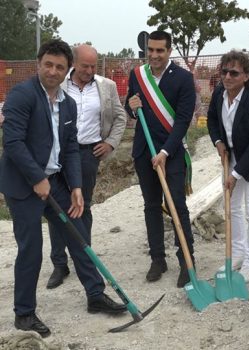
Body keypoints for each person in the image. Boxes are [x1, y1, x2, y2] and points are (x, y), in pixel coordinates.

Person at [0, 39, 126, 338]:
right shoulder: (23, 95)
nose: (53, 72)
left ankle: (95, 295)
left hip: (56, 181)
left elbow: (70, 148)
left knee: (78, 234)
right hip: (23, 185)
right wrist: (36, 178)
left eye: (59, 67)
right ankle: (25, 314)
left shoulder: (67, 103)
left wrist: (77, 187)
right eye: (49, 65)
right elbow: (13, 142)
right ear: (39, 64)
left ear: (67, 69)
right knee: (31, 249)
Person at [46, 44, 127, 289]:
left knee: (84, 206)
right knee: (57, 208)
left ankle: (84, 257)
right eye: (85, 66)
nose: (89, 71)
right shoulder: (58, 84)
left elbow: (120, 117)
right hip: (58, 155)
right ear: (73, 63)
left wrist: (111, 143)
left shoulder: (106, 87)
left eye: (93, 66)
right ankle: (59, 264)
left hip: (87, 154)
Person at [125, 30, 196, 288]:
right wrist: (130, 107)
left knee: (177, 205)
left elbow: (183, 120)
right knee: (151, 206)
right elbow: (130, 107)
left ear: (169, 51)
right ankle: (158, 259)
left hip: (171, 153)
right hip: (144, 151)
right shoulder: (137, 75)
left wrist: (165, 152)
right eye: (150, 50)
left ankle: (187, 262)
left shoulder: (184, 79)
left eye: (160, 50)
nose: (154, 55)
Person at [207, 50, 249, 282]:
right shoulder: (219, 94)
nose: (227, 77)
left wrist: (235, 175)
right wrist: (217, 142)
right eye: (224, 71)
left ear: (246, 76)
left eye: (234, 73)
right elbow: (212, 120)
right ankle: (237, 253)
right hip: (232, 154)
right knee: (233, 207)